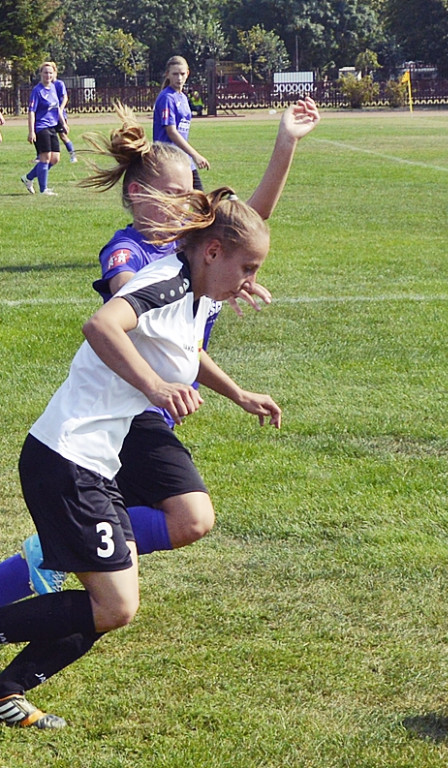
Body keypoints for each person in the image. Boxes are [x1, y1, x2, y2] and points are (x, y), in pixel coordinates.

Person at [0, 97, 320, 606]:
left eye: (190, 192)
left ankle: (61, 550)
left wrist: (286, 142)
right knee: (190, 518)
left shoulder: (200, 250)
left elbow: (250, 224)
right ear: (138, 194)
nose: (186, 203)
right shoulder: (131, 254)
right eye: (173, 194)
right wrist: (160, 369)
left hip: (154, 410)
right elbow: (127, 313)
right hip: (132, 413)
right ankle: (54, 551)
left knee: (176, 521)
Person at [0, 186, 275, 729]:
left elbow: (188, 351)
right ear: (212, 251)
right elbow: (101, 325)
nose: (252, 280)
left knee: (114, 604)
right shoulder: (165, 282)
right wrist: (153, 387)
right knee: (115, 607)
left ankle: (7, 688)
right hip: (66, 458)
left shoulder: (199, 294)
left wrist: (238, 393)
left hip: (94, 465)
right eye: (248, 266)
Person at [154, 55, 208, 190]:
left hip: (183, 159)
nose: (179, 78)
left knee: (200, 202)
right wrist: (195, 154)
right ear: (167, 75)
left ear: (187, 73)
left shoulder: (183, 97)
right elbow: (171, 132)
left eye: (182, 74)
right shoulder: (167, 97)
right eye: (175, 74)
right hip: (168, 160)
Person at [21, 61, 68, 195]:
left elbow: (57, 108)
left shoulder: (53, 88)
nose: (48, 75)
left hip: (52, 126)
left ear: (54, 74)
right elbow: (31, 111)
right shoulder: (37, 90)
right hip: (41, 127)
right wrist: (31, 131)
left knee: (55, 159)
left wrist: (63, 123)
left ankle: (28, 178)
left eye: (50, 72)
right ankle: (44, 189)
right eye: (45, 72)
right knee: (45, 157)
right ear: (41, 74)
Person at [53, 74, 78, 162]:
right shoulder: (44, 85)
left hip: (59, 115)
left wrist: (61, 108)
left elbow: (65, 97)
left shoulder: (59, 84)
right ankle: (40, 157)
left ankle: (73, 155)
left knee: (63, 136)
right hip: (48, 116)